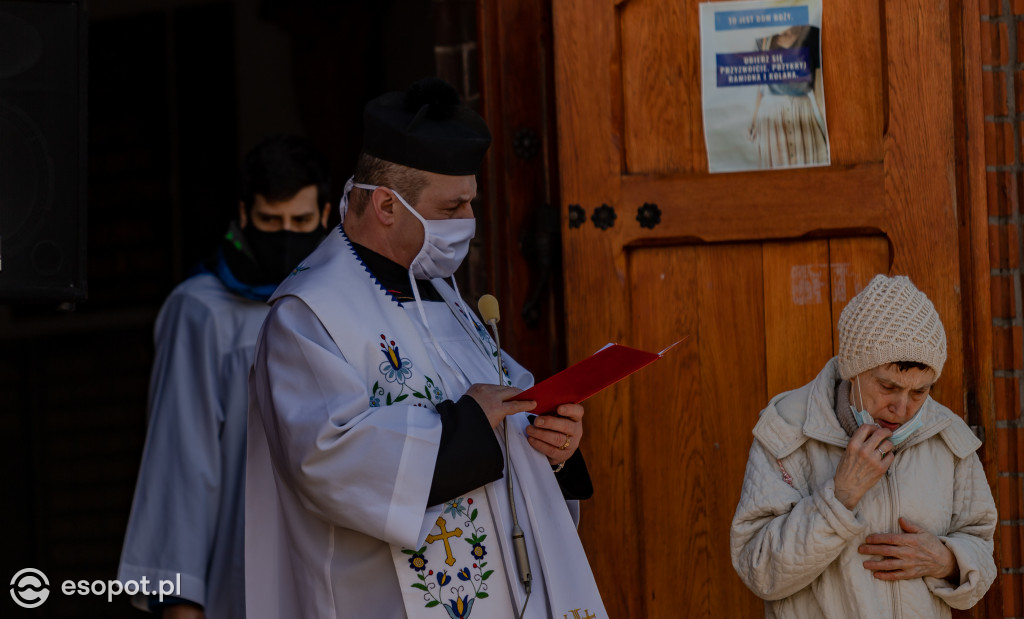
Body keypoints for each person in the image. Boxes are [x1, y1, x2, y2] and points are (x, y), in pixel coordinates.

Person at [245, 77, 606, 619]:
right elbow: (325, 459)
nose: (468, 224)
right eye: (451, 207)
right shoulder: (308, 314)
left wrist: (556, 446)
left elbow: (513, 408)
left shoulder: (445, 296)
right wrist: (468, 424)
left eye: (470, 204)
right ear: (387, 206)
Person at [118, 135, 332, 619]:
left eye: (299, 222)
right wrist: (180, 599)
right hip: (245, 570)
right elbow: (183, 460)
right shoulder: (200, 312)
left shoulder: (345, 304)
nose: (284, 235)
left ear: (325, 217)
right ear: (242, 214)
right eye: (269, 221)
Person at [730, 274, 997, 617]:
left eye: (920, 391)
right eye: (888, 387)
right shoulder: (786, 431)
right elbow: (759, 571)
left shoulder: (947, 435)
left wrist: (947, 561)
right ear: (853, 370)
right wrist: (839, 498)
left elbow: (981, 547)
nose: (902, 409)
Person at [746, 25, 829, 168]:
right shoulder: (762, 40)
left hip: (803, 112)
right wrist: (753, 121)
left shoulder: (812, 34)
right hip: (771, 117)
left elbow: (819, 90)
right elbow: (760, 88)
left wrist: (826, 128)